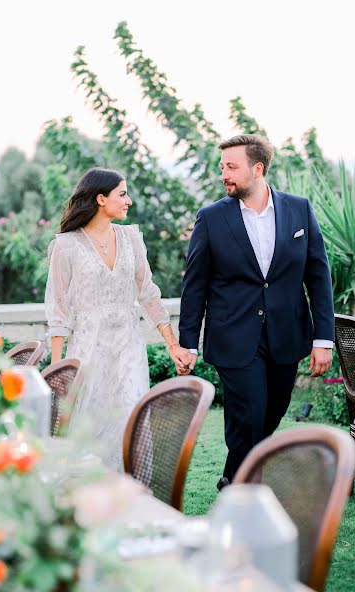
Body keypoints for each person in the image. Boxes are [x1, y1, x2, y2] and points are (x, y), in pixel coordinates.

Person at [178, 134, 334, 488]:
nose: (224, 175)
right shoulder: (211, 218)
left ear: (258, 168)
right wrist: (188, 342)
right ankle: (247, 489)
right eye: (222, 168)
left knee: (272, 411)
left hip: (286, 334)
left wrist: (323, 337)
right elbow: (195, 285)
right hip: (233, 336)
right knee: (248, 412)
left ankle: (234, 475)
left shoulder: (299, 209)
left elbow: (318, 275)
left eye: (231, 167)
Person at [45, 167, 190, 471]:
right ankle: (88, 498)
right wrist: (59, 373)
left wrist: (173, 345)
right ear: (100, 198)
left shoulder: (131, 238)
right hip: (88, 351)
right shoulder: (67, 245)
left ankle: (132, 496)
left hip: (129, 349)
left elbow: (148, 293)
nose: (129, 201)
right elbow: (58, 312)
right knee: (91, 422)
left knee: (130, 418)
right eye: (122, 194)